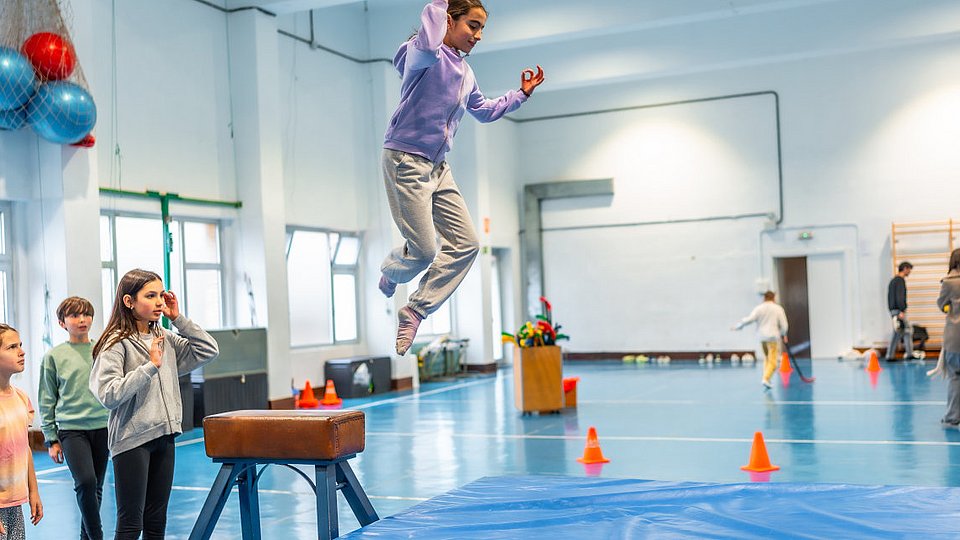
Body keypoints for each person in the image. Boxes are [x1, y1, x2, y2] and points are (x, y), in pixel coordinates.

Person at [378, 0, 545, 355]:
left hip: (438, 166)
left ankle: (415, 309)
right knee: (424, 252)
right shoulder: (422, 54)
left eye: (482, 28)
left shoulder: (466, 73)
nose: (478, 35)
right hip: (406, 159)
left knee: (468, 244)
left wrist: (521, 95)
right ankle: (393, 271)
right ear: (448, 21)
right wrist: (439, 5)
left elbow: (482, 110)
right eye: (473, 25)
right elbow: (427, 42)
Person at [90, 269, 219, 539]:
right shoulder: (116, 343)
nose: (159, 302)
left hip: (165, 435)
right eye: (150, 296)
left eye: (161, 295)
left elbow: (208, 350)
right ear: (129, 301)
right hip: (132, 440)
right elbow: (108, 394)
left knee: (156, 521)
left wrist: (178, 319)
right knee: (130, 524)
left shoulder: (165, 337)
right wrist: (150, 366)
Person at [38, 296, 109, 540]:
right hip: (71, 430)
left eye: (86, 314)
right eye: (75, 316)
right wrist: (51, 439)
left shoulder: (102, 351)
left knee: (96, 487)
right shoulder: (54, 357)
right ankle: (97, 536)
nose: (82, 320)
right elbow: (46, 399)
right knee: (86, 482)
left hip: (102, 426)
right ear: (62, 323)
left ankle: (85, 537)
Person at [0, 324, 43, 539]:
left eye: (20, 345)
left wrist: (33, 491)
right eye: (12, 347)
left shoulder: (21, 398)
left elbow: (25, 448)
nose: (22, 352)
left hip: (15, 503)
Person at [734, 291, 789, 389]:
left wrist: (739, 326)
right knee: (773, 361)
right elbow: (784, 325)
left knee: (767, 358)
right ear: (774, 298)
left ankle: (766, 378)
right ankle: (766, 378)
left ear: (764, 298)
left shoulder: (759, 308)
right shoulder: (778, 309)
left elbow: (749, 319)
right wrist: (783, 334)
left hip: (762, 337)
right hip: (772, 338)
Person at [930, 249, 960, 428]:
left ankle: (952, 416)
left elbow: (941, 304)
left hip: (955, 338)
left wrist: (950, 308)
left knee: (955, 376)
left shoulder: (949, 282)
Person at [886, 261, 914, 361]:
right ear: (905, 268)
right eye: (909, 269)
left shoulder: (893, 280)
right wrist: (901, 310)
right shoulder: (900, 281)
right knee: (907, 331)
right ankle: (908, 354)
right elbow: (900, 296)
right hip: (899, 311)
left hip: (894, 310)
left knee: (899, 333)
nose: (909, 272)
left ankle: (891, 355)